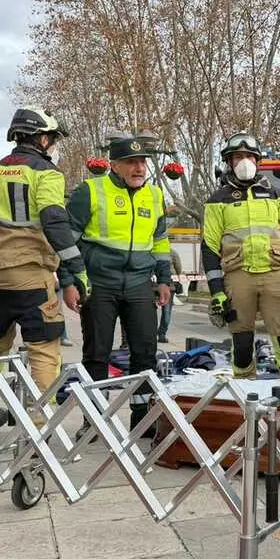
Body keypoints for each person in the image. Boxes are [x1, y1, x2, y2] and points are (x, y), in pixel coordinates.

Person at [0, 106, 88, 421]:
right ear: (43, 138)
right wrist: (77, 269)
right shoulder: (46, 173)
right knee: (44, 349)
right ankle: (40, 423)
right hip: (30, 273)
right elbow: (54, 220)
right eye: (53, 138)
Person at [67, 135, 172, 434]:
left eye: (143, 162)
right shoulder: (90, 191)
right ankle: (95, 422)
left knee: (145, 352)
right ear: (114, 165)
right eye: (132, 162)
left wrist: (165, 279)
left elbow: (160, 240)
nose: (139, 168)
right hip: (99, 283)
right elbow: (67, 242)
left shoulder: (154, 195)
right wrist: (69, 281)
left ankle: (142, 420)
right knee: (97, 353)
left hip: (140, 283)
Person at [201, 132, 280, 384]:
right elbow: (209, 247)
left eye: (249, 156)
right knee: (242, 340)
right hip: (238, 278)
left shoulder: (277, 196)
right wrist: (216, 291)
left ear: (258, 161)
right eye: (238, 157)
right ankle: (244, 390)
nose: (244, 161)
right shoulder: (218, 200)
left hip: (274, 276)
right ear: (229, 162)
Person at [157, 248, 182, 343]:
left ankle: (155, 332)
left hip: (154, 284)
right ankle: (162, 334)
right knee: (166, 311)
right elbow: (178, 267)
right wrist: (178, 277)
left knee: (150, 311)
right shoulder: (172, 252)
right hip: (169, 284)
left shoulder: (150, 250)